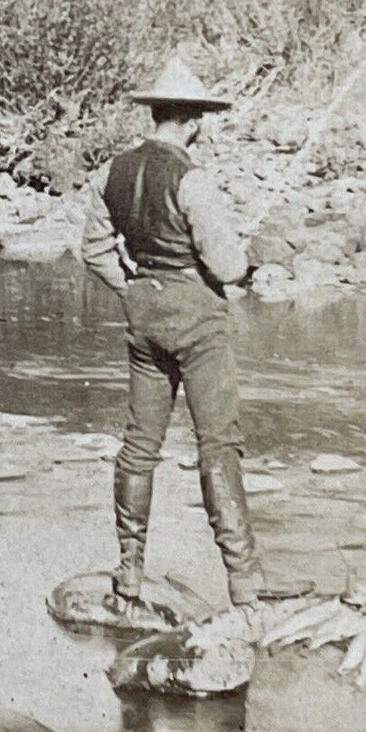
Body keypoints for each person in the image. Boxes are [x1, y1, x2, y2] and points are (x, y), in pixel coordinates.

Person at [81, 55, 313, 612]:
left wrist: (134, 291)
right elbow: (228, 266)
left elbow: (93, 251)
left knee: (140, 446)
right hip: (198, 320)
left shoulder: (109, 172)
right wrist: (252, 263)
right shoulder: (193, 179)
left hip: (144, 315)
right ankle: (245, 582)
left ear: (156, 112)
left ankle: (129, 573)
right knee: (219, 445)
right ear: (194, 121)